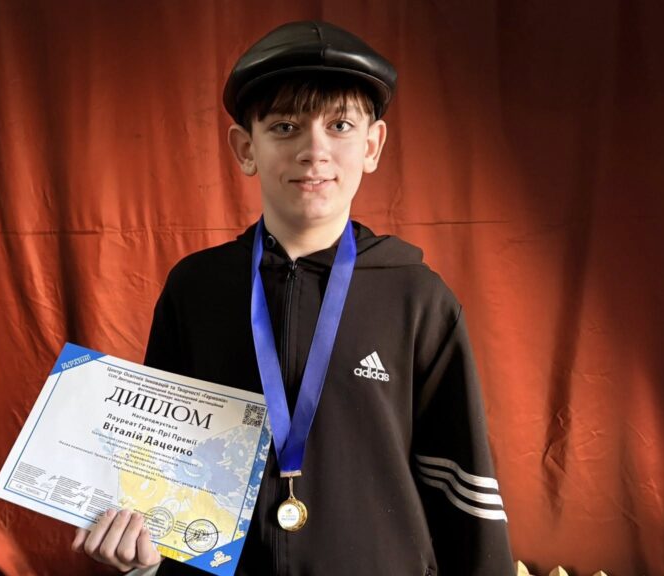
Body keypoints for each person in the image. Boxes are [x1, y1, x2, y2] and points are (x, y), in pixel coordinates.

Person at [73, 20, 514, 575]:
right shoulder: (197, 288)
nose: (314, 151)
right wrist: (140, 558)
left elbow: (461, 481)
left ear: (372, 145)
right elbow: (160, 466)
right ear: (246, 149)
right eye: (285, 127)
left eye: (340, 126)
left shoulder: (418, 297)